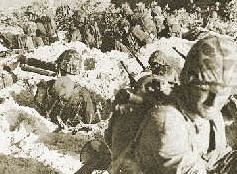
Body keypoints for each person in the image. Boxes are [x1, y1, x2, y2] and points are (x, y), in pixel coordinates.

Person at [130, 35, 237, 174]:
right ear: (188, 81)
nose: (213, 101)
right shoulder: (167, 121)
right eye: (205, 89)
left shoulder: (210, 114)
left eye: (222, 92)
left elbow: (221, 158)